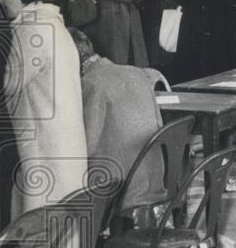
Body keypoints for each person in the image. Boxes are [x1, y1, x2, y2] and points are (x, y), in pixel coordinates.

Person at [0, 0, 88, 215]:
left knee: (41, 225)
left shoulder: (32, 29)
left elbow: (9, 85)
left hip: (46, 146)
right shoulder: (55, 25)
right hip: (63, 144)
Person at [67, 28, 166, 210]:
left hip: (121, 191)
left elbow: (88, 146)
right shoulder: (137, 72)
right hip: (152, 181)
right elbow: (159, 125)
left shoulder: (90, 83)